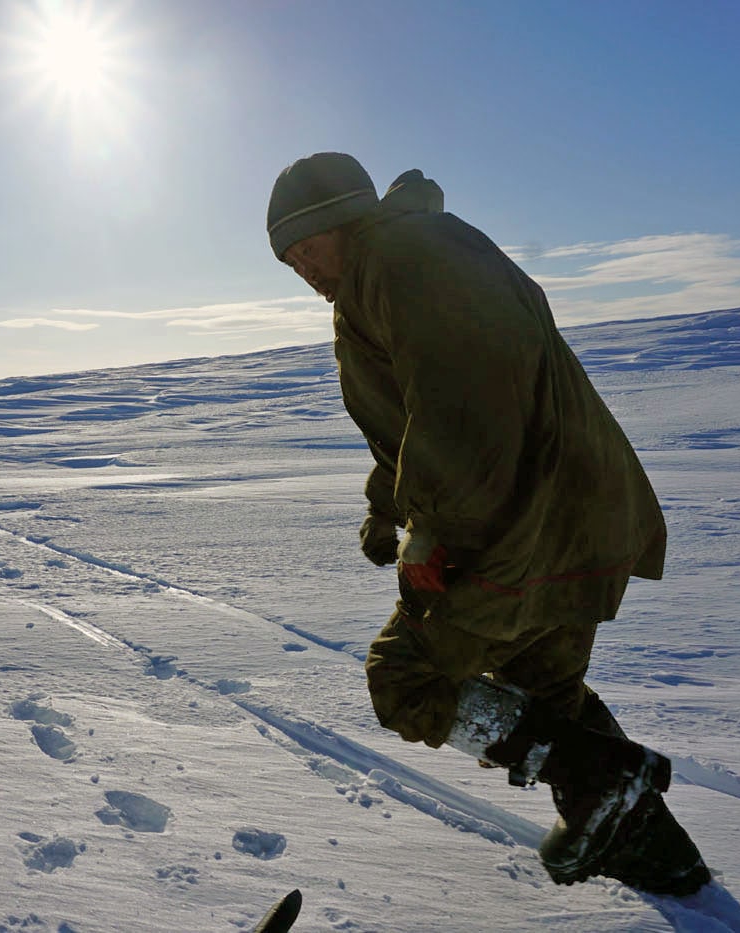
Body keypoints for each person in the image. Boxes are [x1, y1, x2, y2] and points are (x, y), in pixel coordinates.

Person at [265, 152, 710, 896]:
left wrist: (431, 532)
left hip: (519, 527)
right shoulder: (402, 263)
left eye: (307, 247)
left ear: (344, 222)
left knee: (404, 679)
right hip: (571, 516)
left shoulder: (401, 261)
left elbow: (460, 409)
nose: (303, 269)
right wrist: (386, 509)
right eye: (289, 260)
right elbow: (412, 421)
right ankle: (664, 858)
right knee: (547, 691)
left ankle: (601, 776)